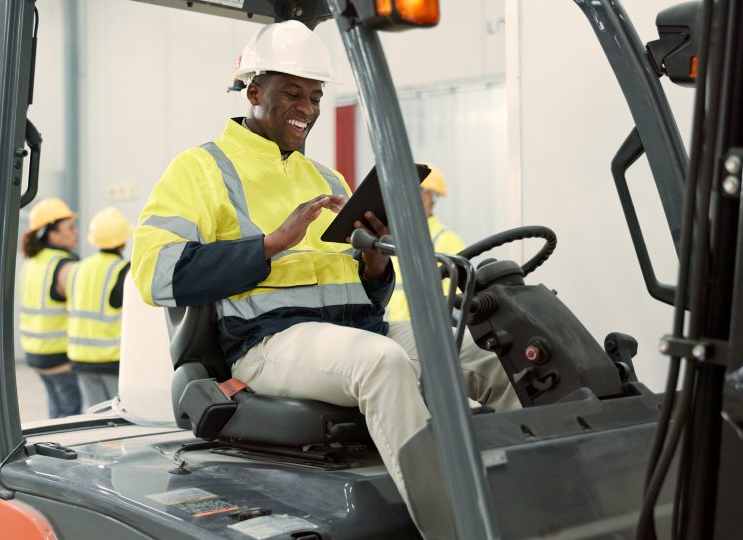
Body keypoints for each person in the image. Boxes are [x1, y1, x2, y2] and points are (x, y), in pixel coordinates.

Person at [131, 20, 516, 510]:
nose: (307, 110)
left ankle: (536, 500)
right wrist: (269, 244)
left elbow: (359, 292)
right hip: (267, 343)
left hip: (356, 331)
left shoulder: (326, 175)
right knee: (381, 363)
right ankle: (453, 521)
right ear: (253, 90)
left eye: (314, 97)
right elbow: (155, 273)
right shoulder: (200, 169)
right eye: (292, 94)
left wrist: (375, 264)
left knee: (488, 349)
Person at [19, 197, 82, 418]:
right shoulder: (64, 266)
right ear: (52, 233)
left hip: (35, 353)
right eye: (70, 227)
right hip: (59, 356)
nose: (75, 233)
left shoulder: (31, 262)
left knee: (56, 412)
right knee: (70, 416)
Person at [66, 207, 133, 410]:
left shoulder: (78, 268)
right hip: (110, 358)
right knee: (118, 414)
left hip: (80, 356)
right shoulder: (124, 269)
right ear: (123, 241)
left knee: (93, 412)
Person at [386, 164, 466, 322]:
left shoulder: (449, 241)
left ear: (429, 200)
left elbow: (459, 303)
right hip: (392, 334)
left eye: (421, 197)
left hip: (429, 337)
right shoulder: (390, 238)